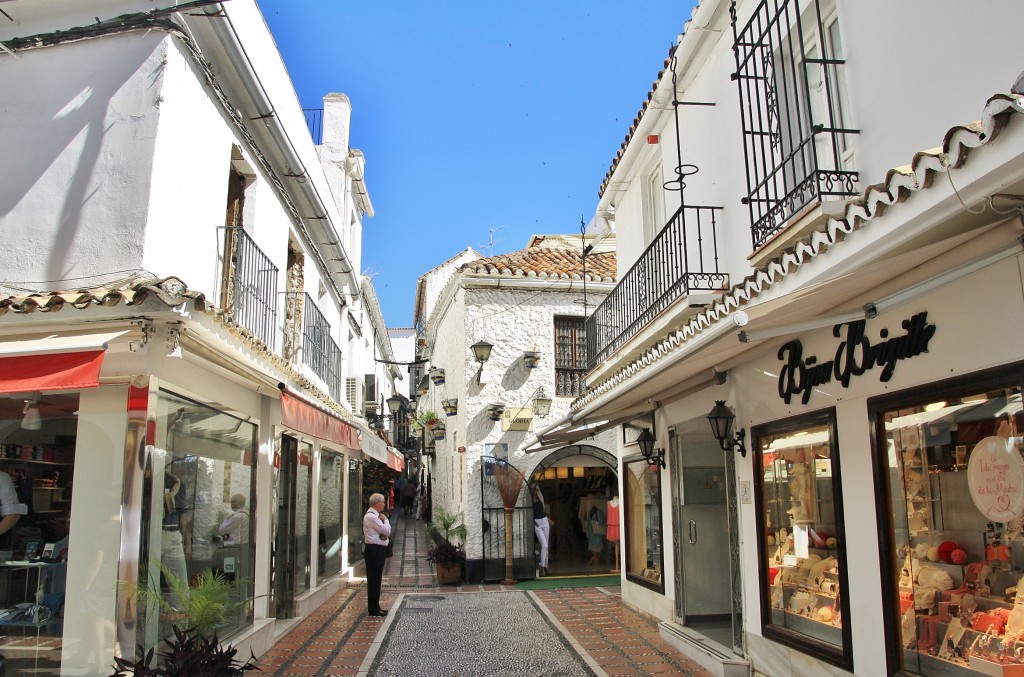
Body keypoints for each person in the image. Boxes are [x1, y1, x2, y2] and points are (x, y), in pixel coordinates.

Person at [363, 493, 391, 617]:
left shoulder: (374, 516)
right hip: (374, 551)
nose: (384, 504)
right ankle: (373, 609)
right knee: (374, 580)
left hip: (377, 550)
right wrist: (386, 520)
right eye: (383, 502)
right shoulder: (372, 517)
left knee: (376, 579)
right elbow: (386, 531)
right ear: (377, 503)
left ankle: (375, 606)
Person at [531, 485, 550, 577]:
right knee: (544, 545)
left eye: (537, 489)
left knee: (546, 546)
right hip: (537, 523)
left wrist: (548, 519)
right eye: (534, 489)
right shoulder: (529, 500)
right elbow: (528, 512)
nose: (536, 491)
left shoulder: (540, 497)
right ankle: (542, 568)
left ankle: (545, 567)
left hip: (544, 520)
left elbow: (543, 510)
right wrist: (533, 521)